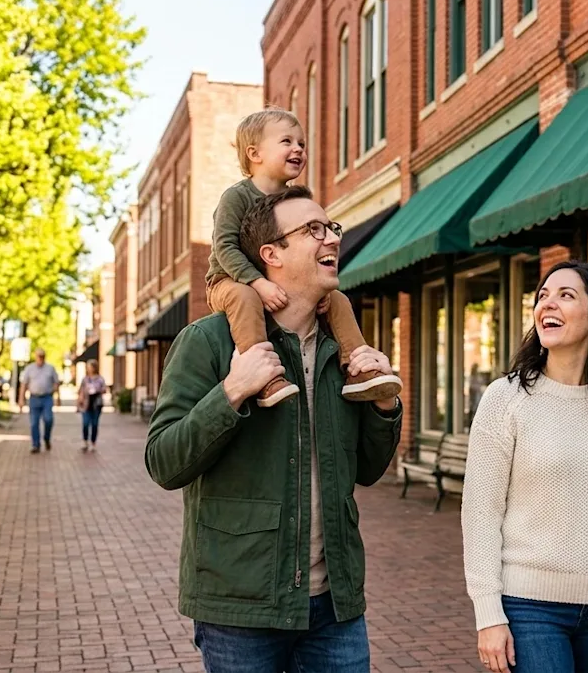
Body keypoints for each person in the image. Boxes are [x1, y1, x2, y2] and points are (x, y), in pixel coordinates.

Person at [145, 185, 402, 673]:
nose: (330, 239)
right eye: (312, 230)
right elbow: (163, 461)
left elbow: (367, 471)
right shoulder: (207, 341)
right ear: (271, 255)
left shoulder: (342, 348)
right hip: (241, 606)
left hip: (335, 605)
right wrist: (231, 392)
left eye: (332, 228)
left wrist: (384, 406)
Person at [462, 261, 588, 673]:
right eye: (542, 296)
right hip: (530, 608)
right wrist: (488, 614)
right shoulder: (507, 398)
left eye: (565, 295)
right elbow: (481, 513)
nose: (547, 304)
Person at [204, 107, 400, 408]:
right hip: (228, 281)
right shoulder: (237, 197)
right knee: (244, 298)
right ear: (254, 153)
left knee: (338, 298)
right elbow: (224, 248)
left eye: (302, 144)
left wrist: (318, 290)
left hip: (272, 281)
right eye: (287, 142)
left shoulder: (296, 200)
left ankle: (359, 367)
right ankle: (265, 375)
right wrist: (257, 283)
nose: (298, 149)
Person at [18, 348, 61, 454]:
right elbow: (24, 384)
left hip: (47, 397)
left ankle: (46, 438)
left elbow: (56, 383)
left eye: (42, 356)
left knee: (48, 419)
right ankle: (35, 444)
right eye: (39, 356)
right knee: (34, 423)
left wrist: (58, 397)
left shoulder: (50, 368)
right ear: (35, 356)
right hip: (34, 398)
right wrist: (21, 399)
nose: (40, 358)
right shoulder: (29, 369)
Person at [77, 360, 106, 452]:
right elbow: (80, 390)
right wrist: (79, 400)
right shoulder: (85, 379)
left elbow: (104, 389)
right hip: (86, 404)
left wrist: (97, 390)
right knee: (85, 423)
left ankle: (93, 443)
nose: (89, 369)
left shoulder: (100, 379)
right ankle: (85, 441)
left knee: (94, 424)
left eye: (90, 367)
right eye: (88, 367)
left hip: (96, 403)